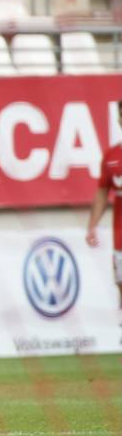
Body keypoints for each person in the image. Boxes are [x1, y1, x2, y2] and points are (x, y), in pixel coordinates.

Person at [85, 102, 122, 315]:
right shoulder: (111, 156)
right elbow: (102, 193)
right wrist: (92, 226)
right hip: (120, 234)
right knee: (120, 281)